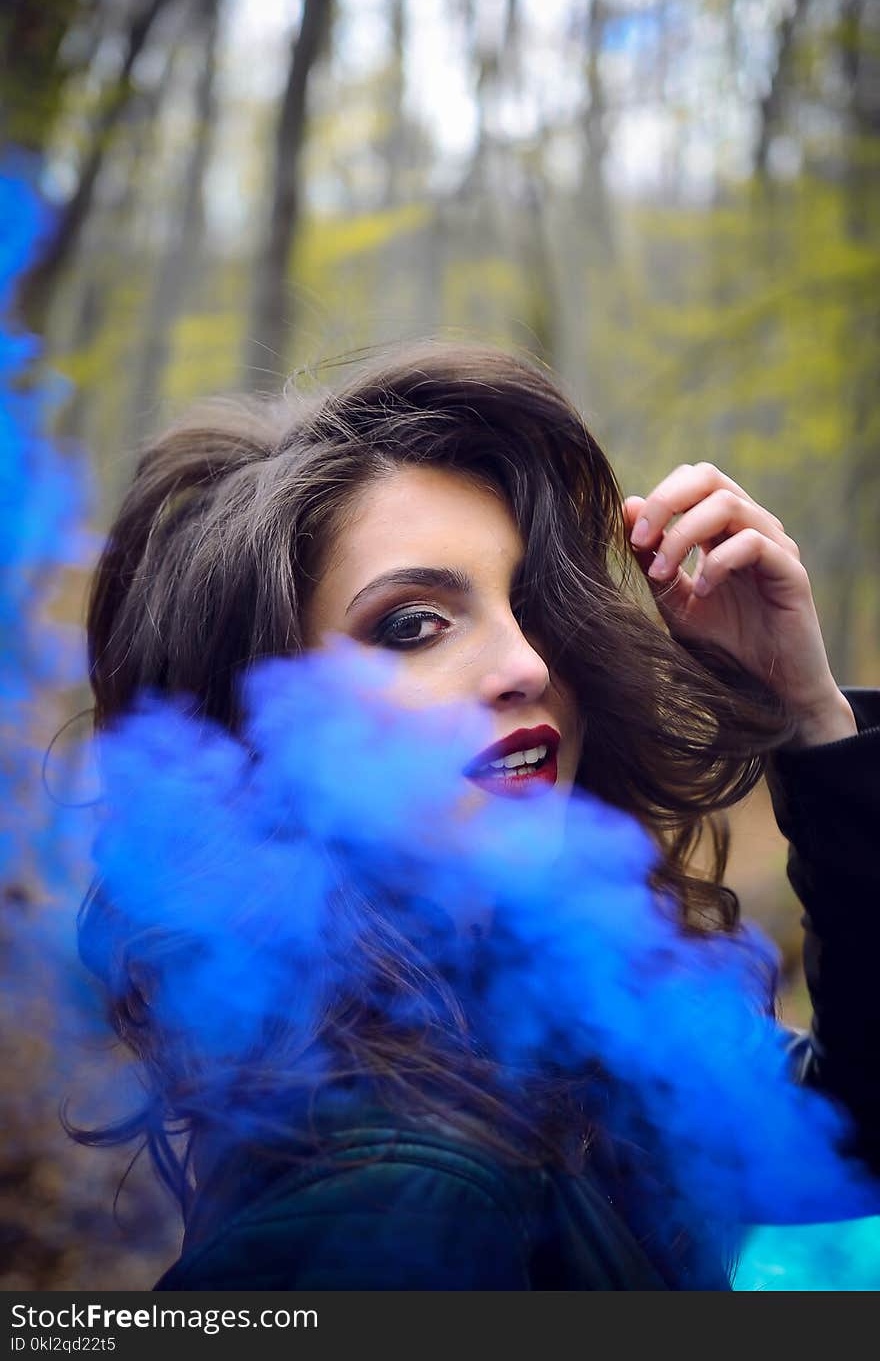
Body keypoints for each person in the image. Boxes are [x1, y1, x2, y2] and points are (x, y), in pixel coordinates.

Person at [77, 342, 879, 1290]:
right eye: (412, 623)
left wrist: (812, 718)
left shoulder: (561, 995)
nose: (530, 665)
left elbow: (844, 1138)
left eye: (527, 605)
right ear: (255, 730)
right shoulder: (392, 1196)